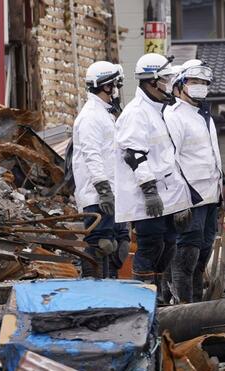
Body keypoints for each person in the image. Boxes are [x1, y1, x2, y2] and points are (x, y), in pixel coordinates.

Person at [114, 53, 192, 300]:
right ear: (152, 81)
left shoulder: (161, 109)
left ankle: (159, 296)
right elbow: (135, 155)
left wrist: (181, 201)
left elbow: (168, 158)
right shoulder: (136, 113)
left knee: (168, 246)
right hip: (147, 197)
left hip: (167, 195)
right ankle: (142, 299)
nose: (170, 83)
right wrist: (149, 191)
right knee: (151, 246)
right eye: (166, 78)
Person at [163, 60, 225, 303]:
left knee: (202, 254)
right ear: (179, 85)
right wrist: (179, 200)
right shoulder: (174, 116)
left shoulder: (203, 115)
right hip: (189, 198)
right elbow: (171, 161)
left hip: (210, 196)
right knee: (185, 255)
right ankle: (181, 307)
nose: (200, 87)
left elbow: (209, 154)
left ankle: (197, 305)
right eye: (194, 81)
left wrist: (222, 181)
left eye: (203, 83)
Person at [72, 60, 128, 279]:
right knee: (101, 244)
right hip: (98, 195)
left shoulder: (106, 114)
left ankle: (110, 287)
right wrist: (103, 189)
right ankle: (94, 288)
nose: (116, 90)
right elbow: (91, 154)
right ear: (106, 86)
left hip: (114, 193)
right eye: (115, 85)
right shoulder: (90, 117)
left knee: (120, 246)